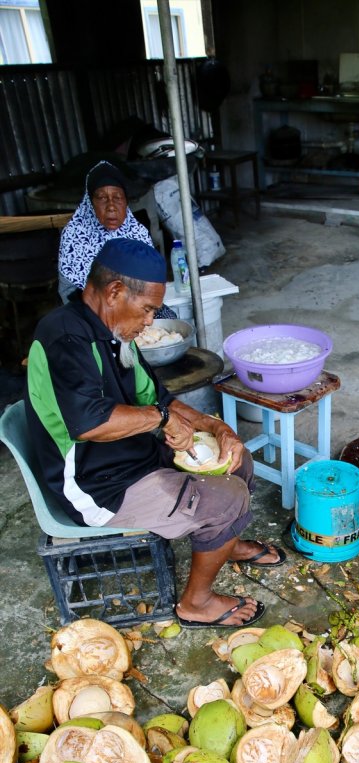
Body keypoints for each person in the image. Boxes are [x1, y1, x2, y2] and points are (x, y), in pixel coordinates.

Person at [26, 237, 285, 629]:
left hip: (135, 458)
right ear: (114, 292)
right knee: (226, 496)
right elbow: (91, 422)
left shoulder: (116, 332)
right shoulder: (65, 337)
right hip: (97, 485)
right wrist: (161, 422)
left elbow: (158, 398)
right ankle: (196, 604)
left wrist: (216, 427)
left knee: (236, 457)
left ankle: (226, 543)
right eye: (147, 309)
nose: (150, 321)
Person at [57, 160, 176, 318]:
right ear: (90, 203)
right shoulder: (74, 235)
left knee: (169, 318)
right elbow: (69, 293)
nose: (111, 206)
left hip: (135, 306)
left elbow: (150, 282)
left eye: (117, 197)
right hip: (92, 313)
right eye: (102, 198)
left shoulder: (136, 232)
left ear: (126, 201)